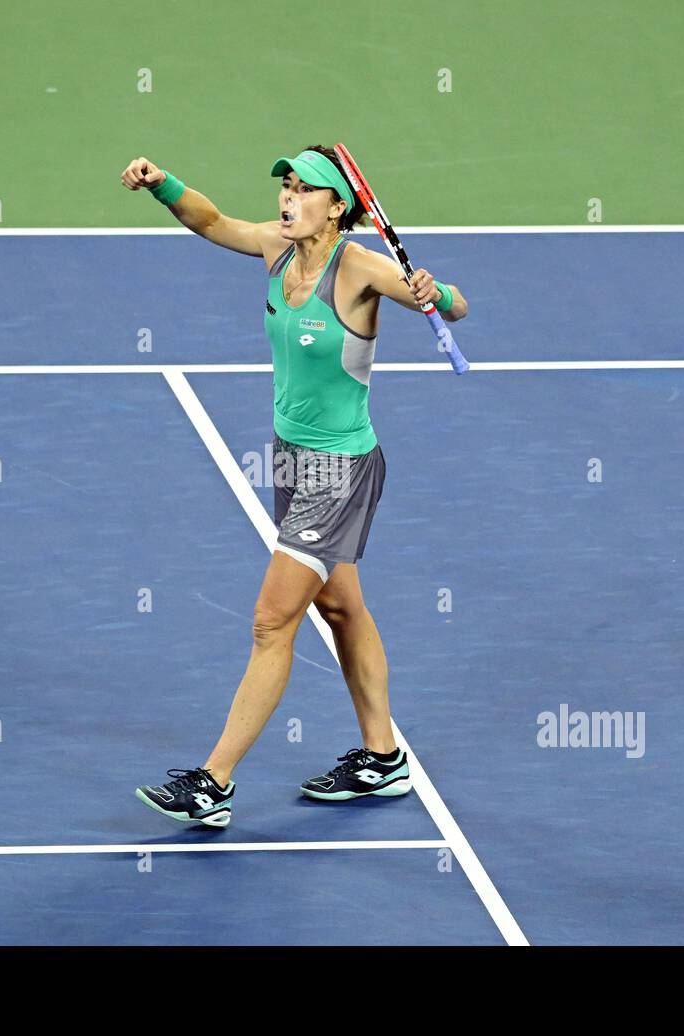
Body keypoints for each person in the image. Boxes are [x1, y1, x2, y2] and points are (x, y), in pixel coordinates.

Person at [120, 146, 468, 827]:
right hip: (291, 460)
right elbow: (213, 221)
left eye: (304, 188)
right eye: (285, 184)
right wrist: (163, 186)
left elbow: (455, 306)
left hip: (339, 473)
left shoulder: (362, 268)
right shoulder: (279, 249)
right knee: (340, 609)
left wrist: (437, 294)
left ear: (336, 206)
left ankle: (213, 782)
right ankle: (383, 757)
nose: (288, 197)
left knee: (272, 620)